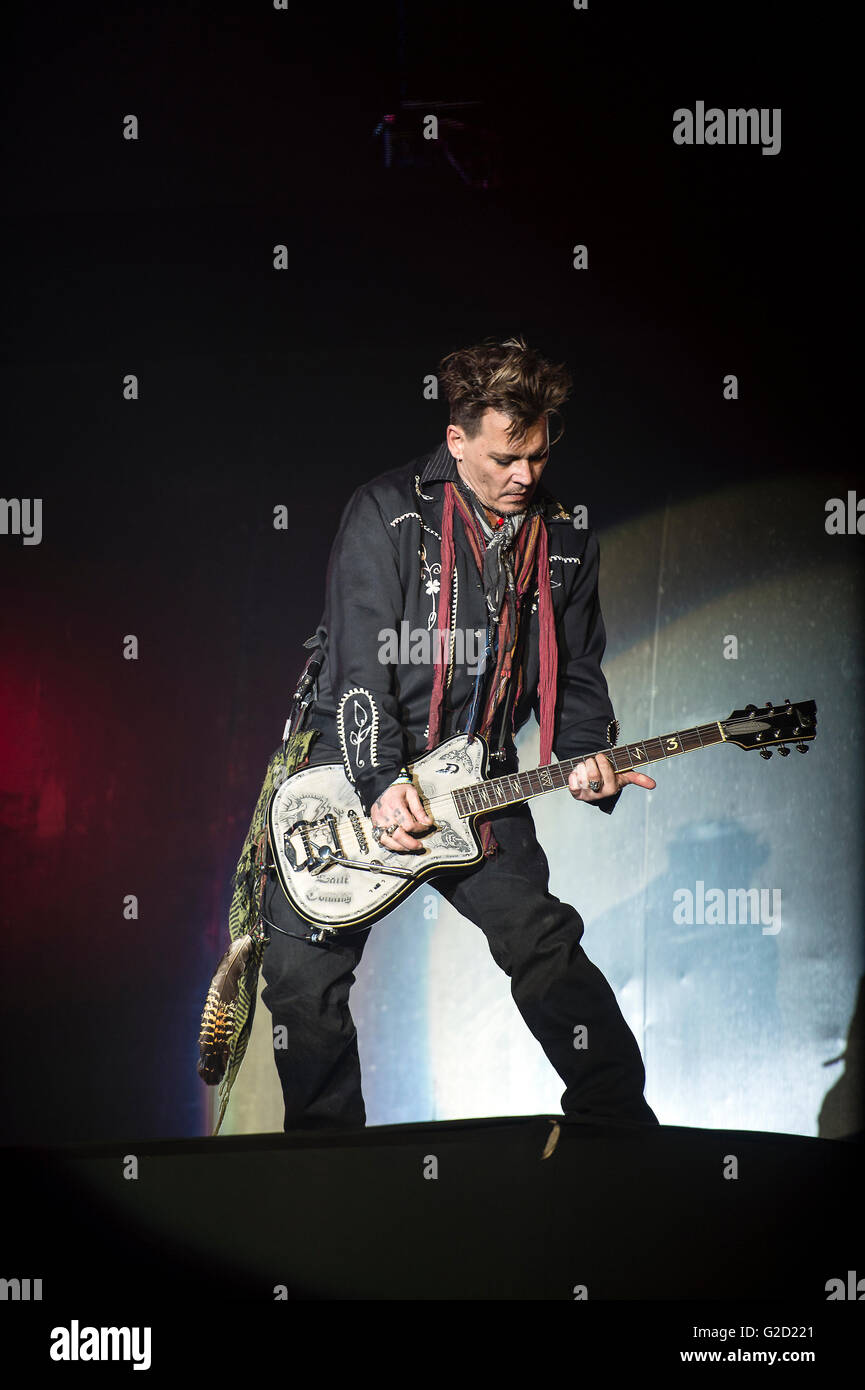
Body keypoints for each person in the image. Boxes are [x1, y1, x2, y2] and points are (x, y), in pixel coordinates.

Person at [260, 335, 659, 1130]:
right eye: (506, 456)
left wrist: (586, 757)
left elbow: (576, 674)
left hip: (479, 775)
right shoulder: (388, 511)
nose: (525, 475)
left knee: (542, 942)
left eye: (538, 456)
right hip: (352, 767)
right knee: (302, 979)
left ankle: (616, 1126)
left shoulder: (566, 545)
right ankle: (324, 1167)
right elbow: (359, 658)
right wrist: (382, 783)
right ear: (456, 441)